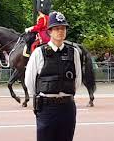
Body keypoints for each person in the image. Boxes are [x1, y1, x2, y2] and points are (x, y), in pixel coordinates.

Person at [25, 11, 82, 141]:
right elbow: (29, 81)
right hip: (47, 107)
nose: (60, 31)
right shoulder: (39, 52)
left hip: (67, 107)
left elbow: (77, 80)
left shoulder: (73, 53)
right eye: (56, 28)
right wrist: (43, 97)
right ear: (49, 31)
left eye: (63, 28)